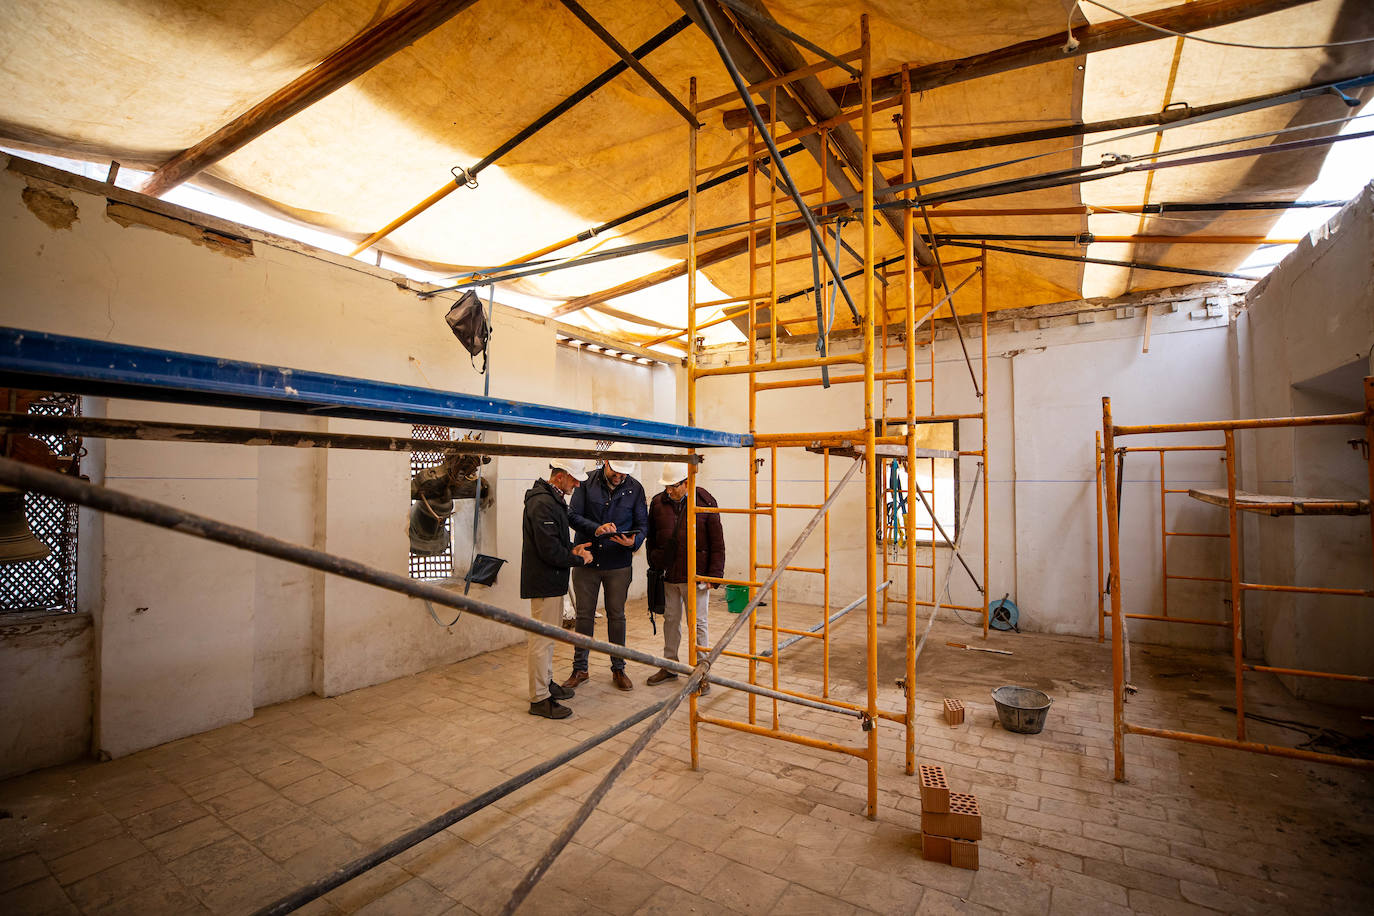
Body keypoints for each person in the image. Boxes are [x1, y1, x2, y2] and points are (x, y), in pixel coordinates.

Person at [564, 447, 648, 691]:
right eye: (616, 472)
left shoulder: (635, 488)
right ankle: (580, 669)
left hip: (619, 564)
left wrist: (635, 541)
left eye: (623, 474)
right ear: (606, 462)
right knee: (584, 616)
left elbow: (643, 524)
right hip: (587, 561)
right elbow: (571, 515)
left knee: (617, 616)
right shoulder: (586, 482)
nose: (619, 477)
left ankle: (618, 669)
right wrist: (596, 528)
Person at [521, 458, 592, 719]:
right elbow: (548, 550)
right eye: (573, 478)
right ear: (559, 476)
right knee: (541, 642)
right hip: (544, 581)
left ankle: (546, 684)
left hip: (551, 579)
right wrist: (577, 559)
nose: (576, 484)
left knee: (547, 640)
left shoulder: (552, 499)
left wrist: (571, 550)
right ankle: (539, 699)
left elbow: (554, 544)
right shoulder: (542, 502)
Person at [645, 462, 724, 693]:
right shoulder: (658, 502)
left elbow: (717, 543)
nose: (669, 491)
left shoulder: (706, 501)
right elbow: (652, 536)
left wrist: (714, 576)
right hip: (669, 575)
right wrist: (655, 561)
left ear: (687, 483)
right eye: (667, 486)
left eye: (673, 486)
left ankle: (702, 671)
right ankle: (670, 665)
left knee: (698, 623)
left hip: (696, 576)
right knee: (670, 620)